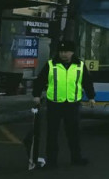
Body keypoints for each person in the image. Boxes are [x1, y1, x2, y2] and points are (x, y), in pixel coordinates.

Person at [33, 39, 95, 169]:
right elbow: (40, 80)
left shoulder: (79, 65)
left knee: (74, 132)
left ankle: (76, 158)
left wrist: (91, 97)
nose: (63, 54)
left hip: (72, 103)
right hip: (54, 103)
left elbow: (87, 82)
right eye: (61, 51)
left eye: (66, 51)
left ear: (72, 52)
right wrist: (36, 95)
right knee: (52, 133)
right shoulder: (51, 65)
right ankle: (52, 161)